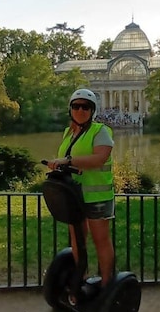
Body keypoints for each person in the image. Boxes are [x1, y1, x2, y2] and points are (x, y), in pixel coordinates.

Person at [47, 88, 116, 298]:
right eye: (76, 106)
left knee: (100, 240)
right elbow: (66, 160)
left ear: (92, 110)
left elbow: (99, 158)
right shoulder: (68, 133)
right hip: (73, 196)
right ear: (70, 109)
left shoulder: (100, 131)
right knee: (77, 239)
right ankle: (82, 279)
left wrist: (67, 161)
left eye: (85, 107)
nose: (80, 110)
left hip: (97, 196)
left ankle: (107, 285)